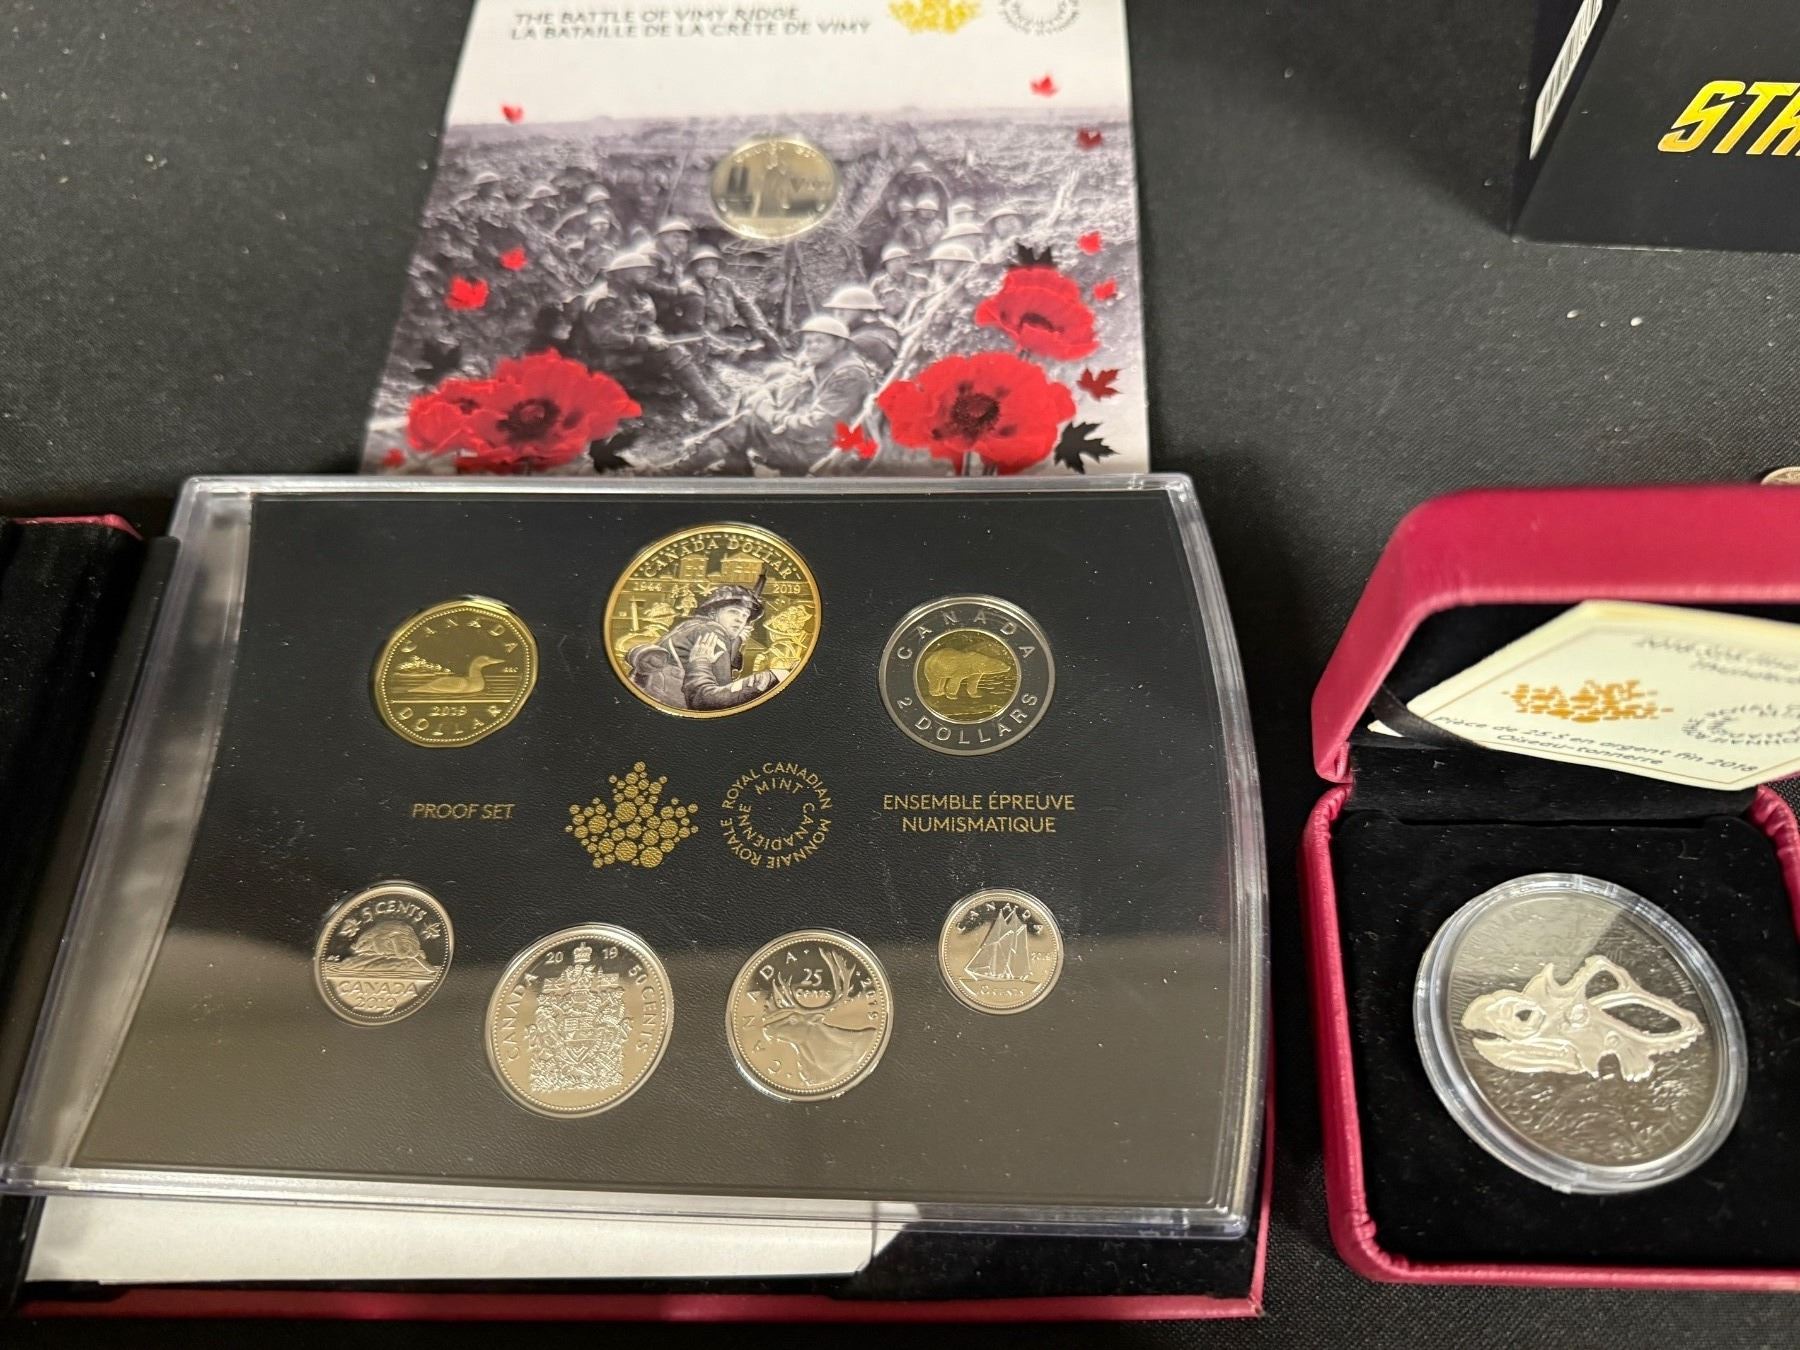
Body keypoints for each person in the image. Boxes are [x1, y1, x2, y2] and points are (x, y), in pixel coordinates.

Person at [668, 315, 874, 475]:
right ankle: (735, 465)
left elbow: (815, 426)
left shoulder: (849, 375)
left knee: (748, 421)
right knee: (750, 397)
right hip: (814, 443)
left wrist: (769, 413)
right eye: (808, 342)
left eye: (820, 341)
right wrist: (762, 394)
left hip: (827, 452)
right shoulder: (827, 363)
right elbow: (788, 383)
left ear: (839, 344)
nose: (811, 347)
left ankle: (678, 472)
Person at [556, 251, 727, 418]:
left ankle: (690, 396)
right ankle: (710, 407)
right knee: (674, 353)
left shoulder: (636, 295)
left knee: (689, 345)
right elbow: (604, 338)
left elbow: (647, 324)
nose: (647, 274)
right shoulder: (605, 300)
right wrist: (646, 341)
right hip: (605, 358)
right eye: (641, 270)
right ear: (624, 273)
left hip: (631, 351)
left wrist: (656, 336)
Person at [625, 578, 788, 712]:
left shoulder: (691, 626)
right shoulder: (713, 631)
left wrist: (735, 642)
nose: (740, 619)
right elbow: (717, 696)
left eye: (745, 615)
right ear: (713, 612)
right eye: (733, 611)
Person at [688, 246, 779, 353]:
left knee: (768, 341)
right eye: (703, 264)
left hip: (731, 330)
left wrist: (759, 327)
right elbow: (699, 330)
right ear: (695, 268)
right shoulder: (691, 291)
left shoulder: (725, 284)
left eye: (713, 264)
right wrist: (738, 346)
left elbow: (744, 305)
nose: (709, 267)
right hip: (711, 341)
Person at [822, 284, 902, 376]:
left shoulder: (861, 341)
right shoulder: (883, 329)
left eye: (844, 308)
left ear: (865, 310)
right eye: (836, 309)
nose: (839, 313)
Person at [871, 243, 926, 321]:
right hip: (886, 321)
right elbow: (872, 307)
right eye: (892, 262)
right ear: (886, 264)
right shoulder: (878, 284)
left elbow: (926, 303)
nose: (897, 264)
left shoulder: (920, 280)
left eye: (900, 260)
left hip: (914, 319)